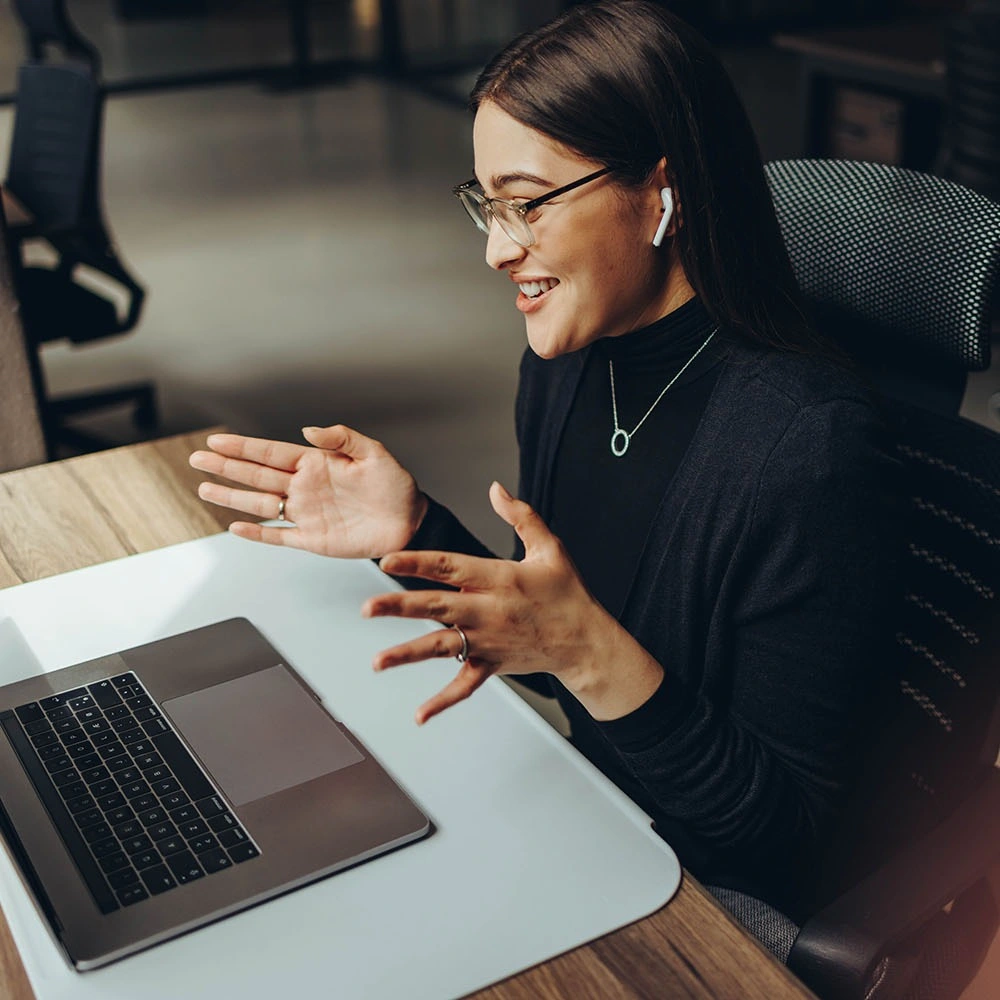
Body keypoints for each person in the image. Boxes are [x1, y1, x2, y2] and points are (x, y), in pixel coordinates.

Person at [189, 0, 895, 930]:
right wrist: (416, 533)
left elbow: (787, 842)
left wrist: (583, 652)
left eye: (527, 202)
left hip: (698, 900)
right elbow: (564, 642)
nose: (496, 247)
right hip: (588, 810)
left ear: (662, 192)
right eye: (486, 203)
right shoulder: (566, 368)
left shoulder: (809, 451)